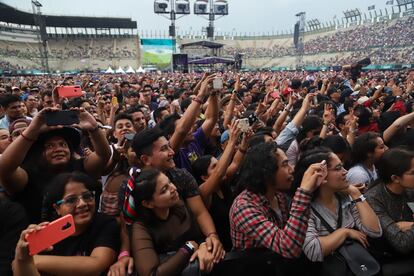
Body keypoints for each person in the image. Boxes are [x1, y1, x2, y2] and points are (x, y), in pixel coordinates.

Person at [131, 126, 225, 263]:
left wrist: (212, 237)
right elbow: (126, 225)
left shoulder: (181, 176)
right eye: (163, 149)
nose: (172, 152)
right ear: (146, 159)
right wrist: (124, 254)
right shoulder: (131, 187)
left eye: (169, 146)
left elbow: (199, 212)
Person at [0, 107, 111, 223]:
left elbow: (103, 156)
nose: (58, 149)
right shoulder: (27, 176)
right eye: (50, 146)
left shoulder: (80, 167)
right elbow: (5, 170)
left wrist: (94, 129)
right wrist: (31, 131)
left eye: (63, 144)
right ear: (39, 153)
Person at [12, 172, 119, 276]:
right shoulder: (47, 232)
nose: (82, 204)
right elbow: (18, 269)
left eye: (87, 196)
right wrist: (22, 259)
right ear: (57, 208)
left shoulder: (105, 224)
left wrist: (34, 260)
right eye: (71, 200)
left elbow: (95, 266)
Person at [230, 142, 324, 258]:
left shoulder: (278, 195)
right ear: (267, 172)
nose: (291, 169)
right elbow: (288, 248)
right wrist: (304, 193)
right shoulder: (243, 208)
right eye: (285, 164)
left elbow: (293, 232)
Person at [293, 147, 381, 263]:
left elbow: (374, 231)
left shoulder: (346, 197)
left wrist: (355, 193)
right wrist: (344, 232)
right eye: (338, 168)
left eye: (342, 166)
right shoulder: (305, 208)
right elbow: (313, 250)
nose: (345, 172)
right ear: (320, 175)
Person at [126, 168, 219, 275]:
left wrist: (204, 245)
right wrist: (189, 248)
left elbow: (196, 236)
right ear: (148, 204)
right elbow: (151, 274)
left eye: (170, 182)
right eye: (164, 190)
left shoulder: (178, 205)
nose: (173, 188)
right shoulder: (140, 228)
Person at [366, 148, 414, 255]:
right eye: (413, 173)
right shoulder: (373, 199)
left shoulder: (409, 189)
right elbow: (402, 243)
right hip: (391, 259)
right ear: (395, 178)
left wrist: (409, 225)